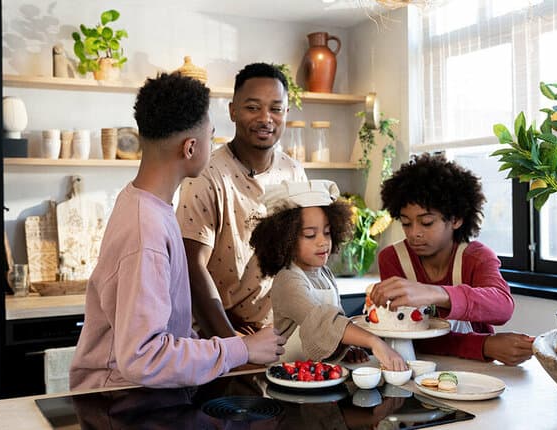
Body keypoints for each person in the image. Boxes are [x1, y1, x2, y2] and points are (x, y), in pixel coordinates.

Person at [69, 73, 286, 391]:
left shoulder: (145, 204)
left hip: (139, 392)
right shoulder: (146, 230)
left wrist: (226, 349)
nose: (214, 147)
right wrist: (241, 349)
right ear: (190, 148)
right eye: (212, 137)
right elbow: (144, 358)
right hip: (118, 399)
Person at [177, 63, 307, 338]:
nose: (265, 118)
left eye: (275, 108)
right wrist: (234, 341)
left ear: (286, 113)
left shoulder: (293, 172)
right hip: (220, 335)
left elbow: (301, 256)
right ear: (233, 111)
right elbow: (191, 268)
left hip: (279, 334)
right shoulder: (206, 175)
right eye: (252, 107)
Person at [369, 153, 534, 366]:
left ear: (456, 219)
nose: (414, 233)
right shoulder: (393, 259)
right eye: (406, 223)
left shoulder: (476, 257)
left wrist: (436, 293)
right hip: (414, 367)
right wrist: (484, 345)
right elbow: (403, 334)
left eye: (427, 223)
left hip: (476, 371)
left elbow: (503, 307)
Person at [249, 179, 407, 370]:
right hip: (287, 374)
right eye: (310, 235)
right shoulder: (288, 280)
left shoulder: (324, 273)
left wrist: (345, 348)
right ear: (285, 240)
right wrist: (374, 342)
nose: (323, 242)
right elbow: (321, 320)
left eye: (327, 232)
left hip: (317, 374)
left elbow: (335, 325)